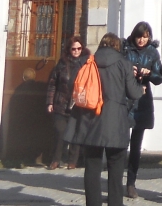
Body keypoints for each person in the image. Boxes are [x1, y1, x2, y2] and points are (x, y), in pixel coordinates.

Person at [67, 32, 144, 206]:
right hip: (115, 121)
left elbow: (72, 84)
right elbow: (133, 93)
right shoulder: (124, 63)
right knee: (116, 168)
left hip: (89, 119)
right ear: (117, 47)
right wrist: (140, 86)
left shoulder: (86, 61)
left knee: (92, 166)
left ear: (101, 45)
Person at [123, 21, 162, 198]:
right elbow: (118, 71)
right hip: (125, 100)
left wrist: (149, 73)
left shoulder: (152, 52)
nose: (141, 40)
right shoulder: (125, 50)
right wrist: (129, 72)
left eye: (145, 37)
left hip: (142, 101)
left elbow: (160, 77)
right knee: (120, 142)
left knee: (136, 145)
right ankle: (115, 179)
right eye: (139, 36)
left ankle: (131, 183)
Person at [46, 36, 88, 170]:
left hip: (78, 104)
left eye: (79, 48)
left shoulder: (86, 64)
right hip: (61, 103)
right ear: (69, 49)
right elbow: (52, 84)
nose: (76, 51)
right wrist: (50, 102)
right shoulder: (62, 64)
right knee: (60, 132)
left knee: (76, 133)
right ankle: (56, 159)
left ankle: (72, 160)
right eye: (73, 49)